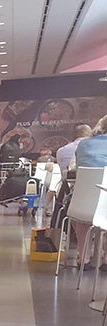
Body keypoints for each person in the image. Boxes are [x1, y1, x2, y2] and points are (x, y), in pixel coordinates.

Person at [69, 115, 107, 270]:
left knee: (74, 205)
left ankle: (83, 255)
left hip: (82, 204)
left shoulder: (84, 144)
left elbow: (75, 170)